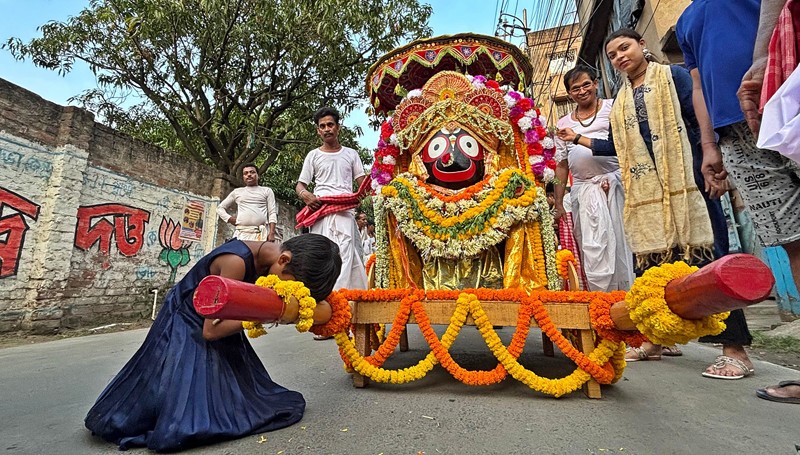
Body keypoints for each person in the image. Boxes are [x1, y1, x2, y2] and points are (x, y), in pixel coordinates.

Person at [559, 28, 754, 373]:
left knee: (710, 259)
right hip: (646, 195)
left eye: (625, 48)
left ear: (642, 46)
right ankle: (655, 340)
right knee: (652, 267)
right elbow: (617, 147)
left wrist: (711, 159)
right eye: (613, 55)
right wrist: (578, 139)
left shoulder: (674, 77)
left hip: (689, 184)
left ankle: (734, 349)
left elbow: (698, 121)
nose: (620, 57)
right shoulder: (620, 99)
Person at [84, 234, 342, 451]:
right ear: (284, 260)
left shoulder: (273, 261)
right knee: (188, 422)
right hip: (189, 325)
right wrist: (274, 313)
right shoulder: (235, 262)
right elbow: (211, 330)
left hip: (222, 322)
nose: (289, 294)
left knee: (250, 401)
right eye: (292, 287)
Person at [677, 0, 800, 395]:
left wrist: (766, 60)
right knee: (793, 244)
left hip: (787, 100)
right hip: (735, 134)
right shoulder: (686, 20)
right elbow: (699, 85)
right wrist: (710, 145)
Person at [554, 64, 634, 293]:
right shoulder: (563, 123)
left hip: (616, 186)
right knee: (592, 247)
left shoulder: (613, 107)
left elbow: (623, 146)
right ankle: (601, 302)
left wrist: (578, 138)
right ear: (569, 94)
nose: (581, 91)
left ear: (596, 83)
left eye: (586, 85)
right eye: (575, 88)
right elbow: (561, 165)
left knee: (622, 244)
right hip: (583, 191)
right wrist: (559, 203)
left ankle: (627, 299)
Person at [296, 107, 368, 339]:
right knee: (322, 262)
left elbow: (362, 182)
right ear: (318, 131)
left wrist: (377, 182)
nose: (327, 129)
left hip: (345, 215)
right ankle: (325, 320)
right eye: (322, 126)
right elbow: (301, 185)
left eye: (330, 124)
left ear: (338, 127)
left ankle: (346, 317)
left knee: (346, 261)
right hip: (321, 215)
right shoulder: (313, 156)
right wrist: (306, 196)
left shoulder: (351, 154)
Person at [217, 163, 279, 242]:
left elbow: (272, 213)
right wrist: (229, 219)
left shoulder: (267, 191)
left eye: (252, 172)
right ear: (243, 177)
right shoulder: (237, 192)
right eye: (245, 173)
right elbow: (220, 208)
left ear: (258, 175)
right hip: (240, 234)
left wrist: (272, 233)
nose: (249, 175)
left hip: (260, 235)